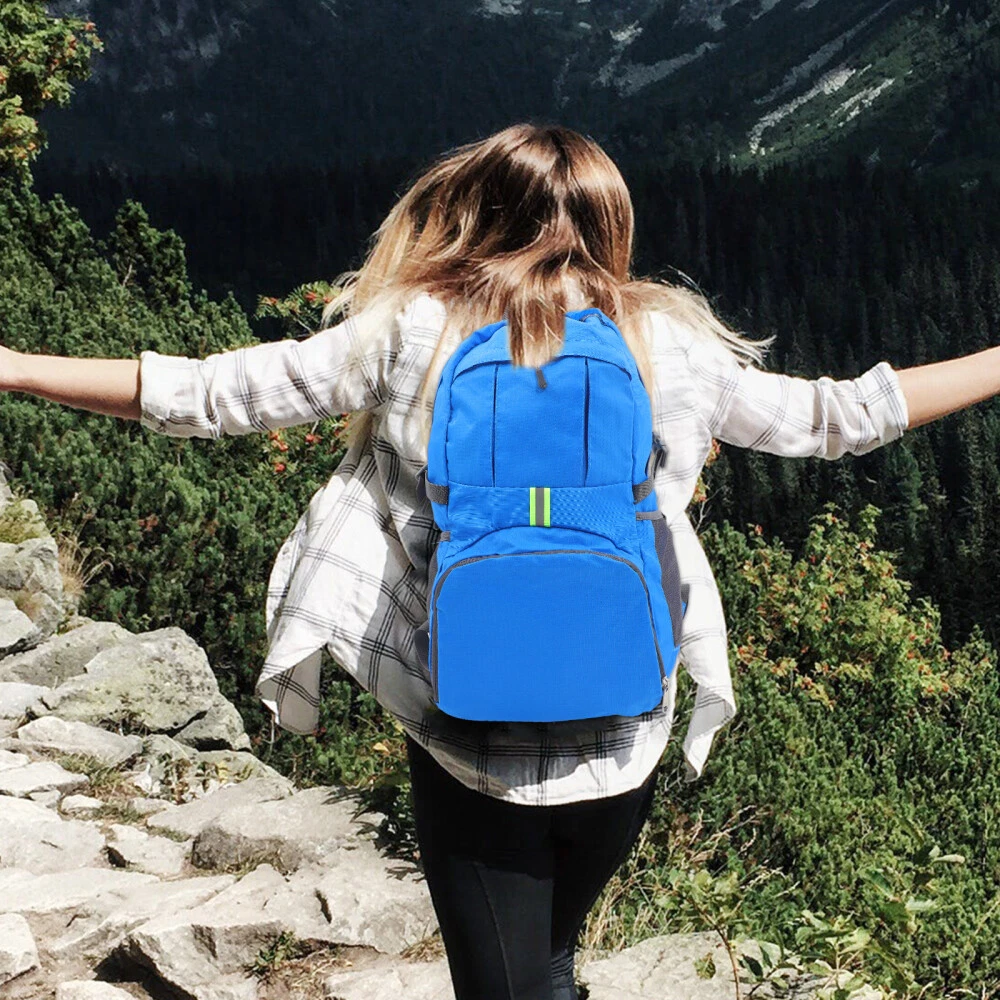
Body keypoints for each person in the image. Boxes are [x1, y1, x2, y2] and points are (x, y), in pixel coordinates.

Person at [0, 122, 995, 1000]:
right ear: (609, 223)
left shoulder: (412, 329)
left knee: (506, 982)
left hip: (468, 734)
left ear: (477, 213)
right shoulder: (669, 343)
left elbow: (208, 395)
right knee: (548, 960)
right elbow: (842, 417)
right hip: (623, 726)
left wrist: (15, 367)